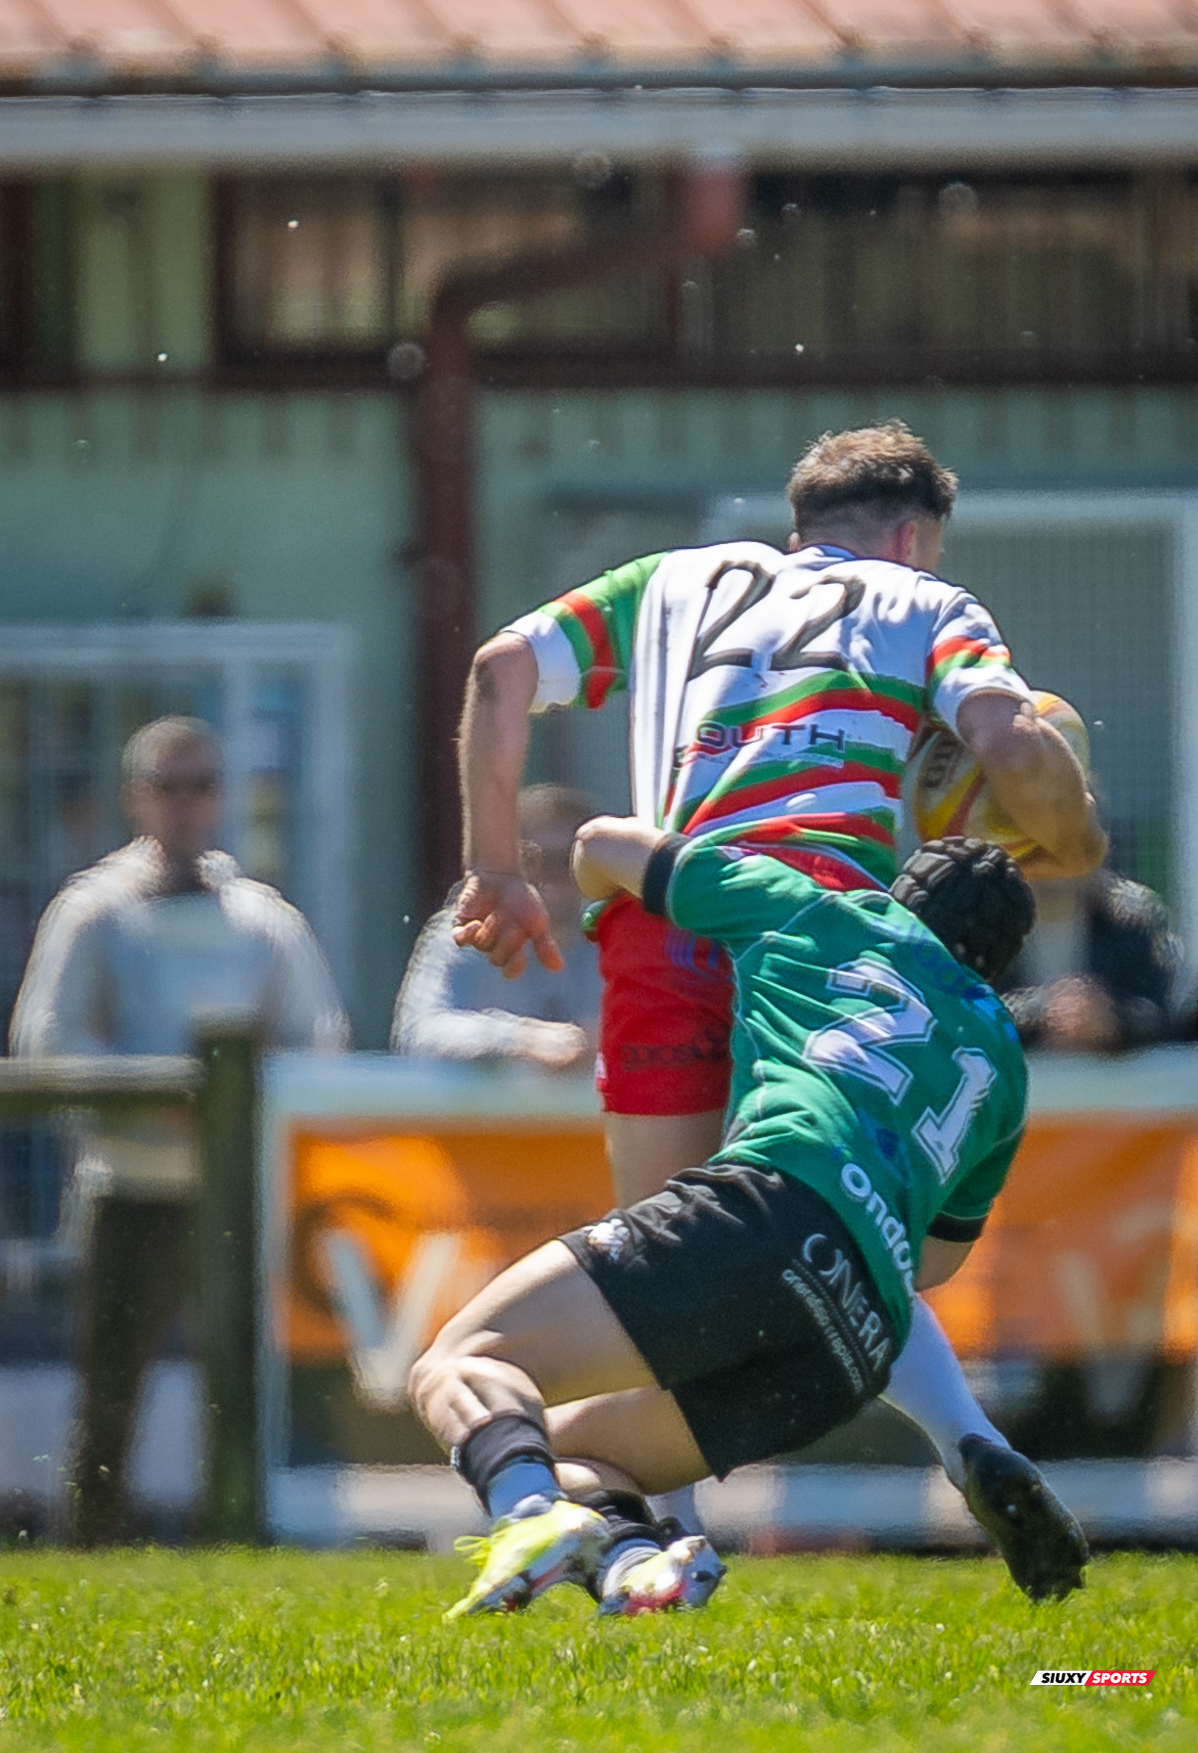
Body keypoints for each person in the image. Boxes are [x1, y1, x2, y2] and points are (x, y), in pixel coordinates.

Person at [450, 422, 1106, 1506]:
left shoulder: (669, 583)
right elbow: (1002, 740)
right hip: (821, 930)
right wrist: (1074, 836)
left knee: (669, 1267)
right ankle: (962, 1441)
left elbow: (500, 669)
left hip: (669, 912)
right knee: (837, 1217)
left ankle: (649, 1544)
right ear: (910, 536)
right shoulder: (924, 603)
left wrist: (492, 868)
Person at [412, 830, 1089, 1618]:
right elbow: (932, 1264)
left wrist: (598, 898)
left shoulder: (824, 915)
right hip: (861, 1333)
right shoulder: (1002, 1059)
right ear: (996, 968)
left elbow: (600, 842)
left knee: (462, 1364)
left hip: (768, 1205)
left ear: (900, 896)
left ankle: (525, 1516)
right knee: (575, 1445)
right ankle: (645, 1574)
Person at [10, 716, 349, 1544]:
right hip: (127, 1186)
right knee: (111, 1382)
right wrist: (149, 1094)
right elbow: (47, 1041)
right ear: (136, 797)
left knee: (244, 1381)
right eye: (168, 786)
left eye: (201, 785)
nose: (186, 805)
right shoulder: (94, 911)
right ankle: (92, 1538)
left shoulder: (262, 920)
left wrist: (238, 1097)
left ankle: (238, 1534)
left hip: (236, 1189)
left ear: (222, 797)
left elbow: (317, 1036)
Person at [392, 785, 600, 1071]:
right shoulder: (467, 929)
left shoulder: (610, 936)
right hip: (482, 1115)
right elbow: (418, 1035)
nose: (556, 877)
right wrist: (519, 1038)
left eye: (570, 861)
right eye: (539, 860)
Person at [1001, 867, 1177, 1052]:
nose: (1054, 859)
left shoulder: (1135, 914)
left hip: (1114, 1077)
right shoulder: (983, 910)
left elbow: (1163, 1013)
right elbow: (972, 1013)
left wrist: (1112, 1018)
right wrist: (1043, 1010)